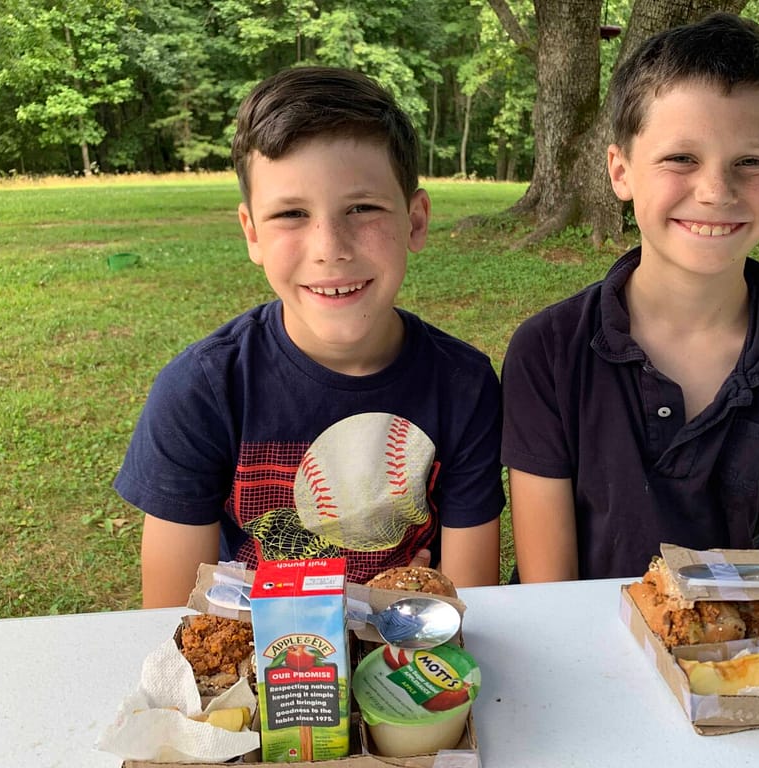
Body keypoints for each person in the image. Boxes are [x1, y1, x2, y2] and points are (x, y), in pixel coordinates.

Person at [500, 13, 759, 582]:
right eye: (681, 159)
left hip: (735, 660)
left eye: (750, 162)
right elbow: (548, 587)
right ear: (621, 171)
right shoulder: (547, 352)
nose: (716, 191)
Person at [115, 67, 504, 608]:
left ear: (415, 221)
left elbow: (468, 608)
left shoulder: (464, 384)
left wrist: (399, 607)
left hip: (406, 662)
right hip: (256, 650)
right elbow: (176, 616)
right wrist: (345, 605)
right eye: (291, 214)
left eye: (362, 208)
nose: (329, 246)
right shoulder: (202, 389)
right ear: (252, 232)